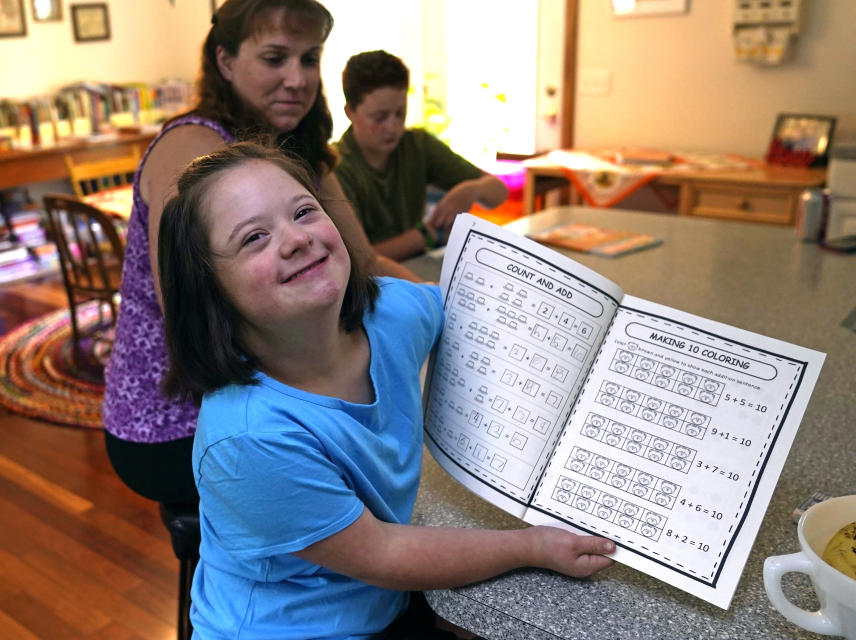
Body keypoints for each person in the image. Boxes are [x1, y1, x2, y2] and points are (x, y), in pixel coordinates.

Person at [158, 141, 616, 639]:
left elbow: (481, 313)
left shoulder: (391, 313)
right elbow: (383, 554)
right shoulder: (248, 438)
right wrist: (531, 547)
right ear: (209, 290)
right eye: (254, 238)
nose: (294, 239)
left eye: (304, 211)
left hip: (382, 601)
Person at [102, 0, 417, 506]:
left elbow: (366, 262)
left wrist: (456, 304)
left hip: (269, 393)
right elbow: (193, 315)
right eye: (275, 58)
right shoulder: (193, 151)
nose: (296, 78)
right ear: (225, 61)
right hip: (181, 422)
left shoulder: (293, 145)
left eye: (309, 59)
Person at [334, 50, 508, 261]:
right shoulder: (335, 167)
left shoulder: (416, 145)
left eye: (400, 113)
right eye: (379, 117)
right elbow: (357, 260)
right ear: (350, 112)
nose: (393, 126)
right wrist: (428, 235)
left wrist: (472, 190)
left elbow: (499, 192)